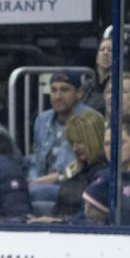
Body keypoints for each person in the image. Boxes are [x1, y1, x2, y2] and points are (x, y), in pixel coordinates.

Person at [27, 70, 94, 206]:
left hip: (73, 186)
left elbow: (78, 169)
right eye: (53, 90)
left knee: (32, 193)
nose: (57, 96)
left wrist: (38, 183)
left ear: (79, 93)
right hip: (42, 182)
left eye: (64, 90)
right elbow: (37, 159)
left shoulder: (89, 120)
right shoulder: (42, 119)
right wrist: (31, 180)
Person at [51, 109, 108, 220]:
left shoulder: (103, 173)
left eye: (79, 142)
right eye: (72, 143)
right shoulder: (77, 170)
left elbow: (88, 217)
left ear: (94, 139)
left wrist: (58, 222)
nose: (75, 148)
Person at [83, 36, 113, 114]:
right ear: (97, 58)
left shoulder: (121, 83)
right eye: (102, 50)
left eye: (110, 50)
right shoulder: (88, 84)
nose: (105, 53)